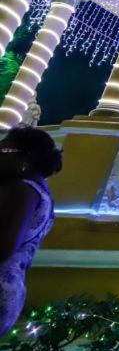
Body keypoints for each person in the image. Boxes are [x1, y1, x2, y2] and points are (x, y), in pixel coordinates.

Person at [0, 127, 61, 336]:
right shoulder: (42, 192)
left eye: (3, 151)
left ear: (25, 159)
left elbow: (4, 245)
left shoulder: (23, 191)